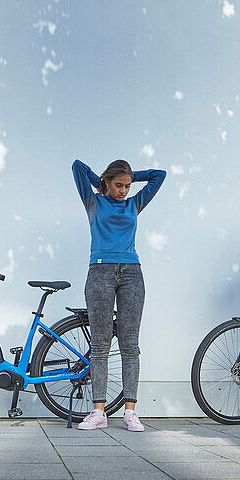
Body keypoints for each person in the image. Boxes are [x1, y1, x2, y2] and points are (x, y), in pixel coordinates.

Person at [71, 158, 167, 431]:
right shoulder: (93, 202)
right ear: (106, 183)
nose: (124, 190)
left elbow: (160, 174)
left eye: (127, 185)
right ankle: (99, 411)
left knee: (129, 344)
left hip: (132, 274)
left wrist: (131, 175)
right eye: (118, 185)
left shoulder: (134, 204)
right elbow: (78, 167)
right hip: (100, 273)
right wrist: (101, 181)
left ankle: (130, 412)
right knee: (100, 345)